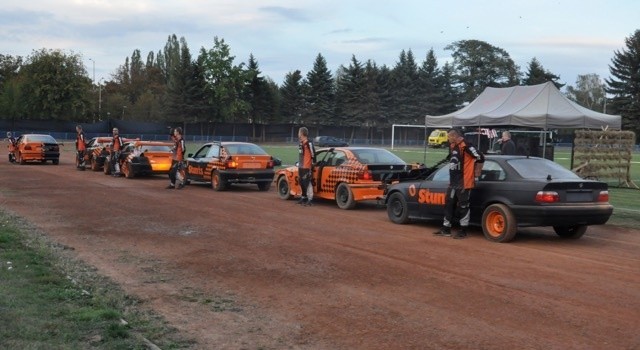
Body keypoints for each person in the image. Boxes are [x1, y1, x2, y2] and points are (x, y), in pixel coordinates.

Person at [434, 128, 485, 239]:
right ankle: (446, 229)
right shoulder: (453, 146)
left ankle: (463, 230)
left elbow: (480, 157)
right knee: (449, 204)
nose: (447, 139)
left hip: (464, 182)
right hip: (453, 182)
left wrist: (476, 172)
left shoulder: (466, 146)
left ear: (454, 136)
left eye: (449, 137)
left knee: (463, 206)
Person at [297, 127, 316, 206]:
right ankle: (303, 196)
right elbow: (301, 155)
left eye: (299, 132)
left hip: (307, 166)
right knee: (301, 182)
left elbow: (313, 154)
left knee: (307, 182)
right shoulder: (301, 143)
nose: (298, 134)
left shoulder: (309, 143)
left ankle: (310, 198)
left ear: (302, 133)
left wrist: (313, 162)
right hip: (301, 166)